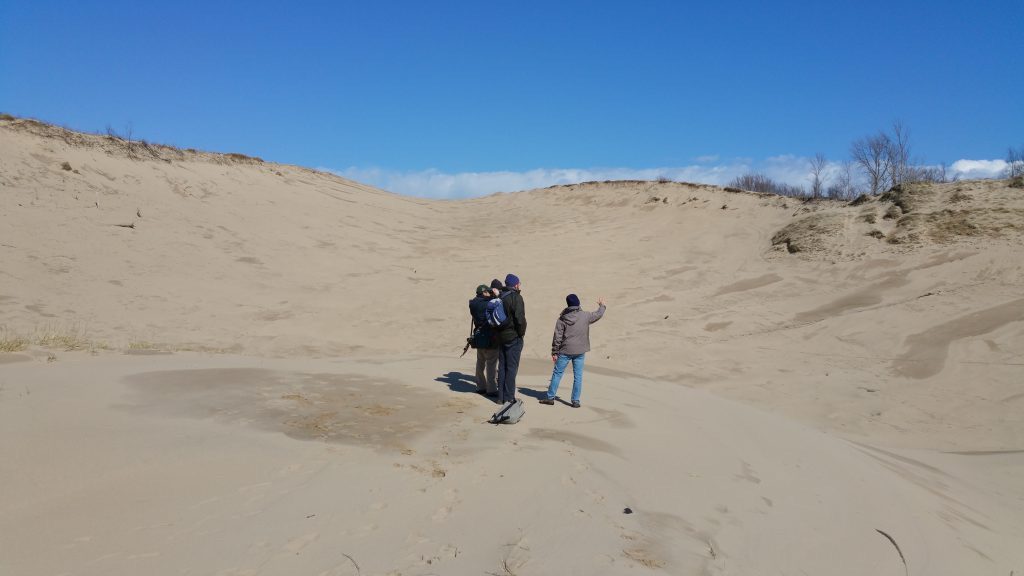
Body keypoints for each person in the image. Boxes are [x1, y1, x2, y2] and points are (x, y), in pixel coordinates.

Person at [540, 294, 606, 408]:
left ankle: (550, 397)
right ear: (578, 303)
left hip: (565, 351)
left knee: (557, 374)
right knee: (578, 376)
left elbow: (557, 337)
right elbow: (598, 314)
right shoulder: (585, 315)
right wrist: (602, 305)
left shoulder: (562, 318)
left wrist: (554, 352)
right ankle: (575, 401)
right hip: (579, 351)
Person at [494, 273, 526, 404]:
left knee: (502, 367)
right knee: (511, 368)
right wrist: (521, 333)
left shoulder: (500, 296)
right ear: (516, 284)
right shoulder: (516, 297)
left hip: (501, 336)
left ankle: (500, 398)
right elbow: (519, 319)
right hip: (513, 337)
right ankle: (509, 397)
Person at [468, 283, 499, 396]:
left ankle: (480, 386)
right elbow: (495, 304)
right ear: (484, 293)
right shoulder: (487, 304)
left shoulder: (473, 303)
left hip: (479, 337)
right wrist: (495, 296)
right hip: (489, 337)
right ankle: (491, 389)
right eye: (487, 292)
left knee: (480, 363)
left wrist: (491, 296)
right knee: (491, 364)